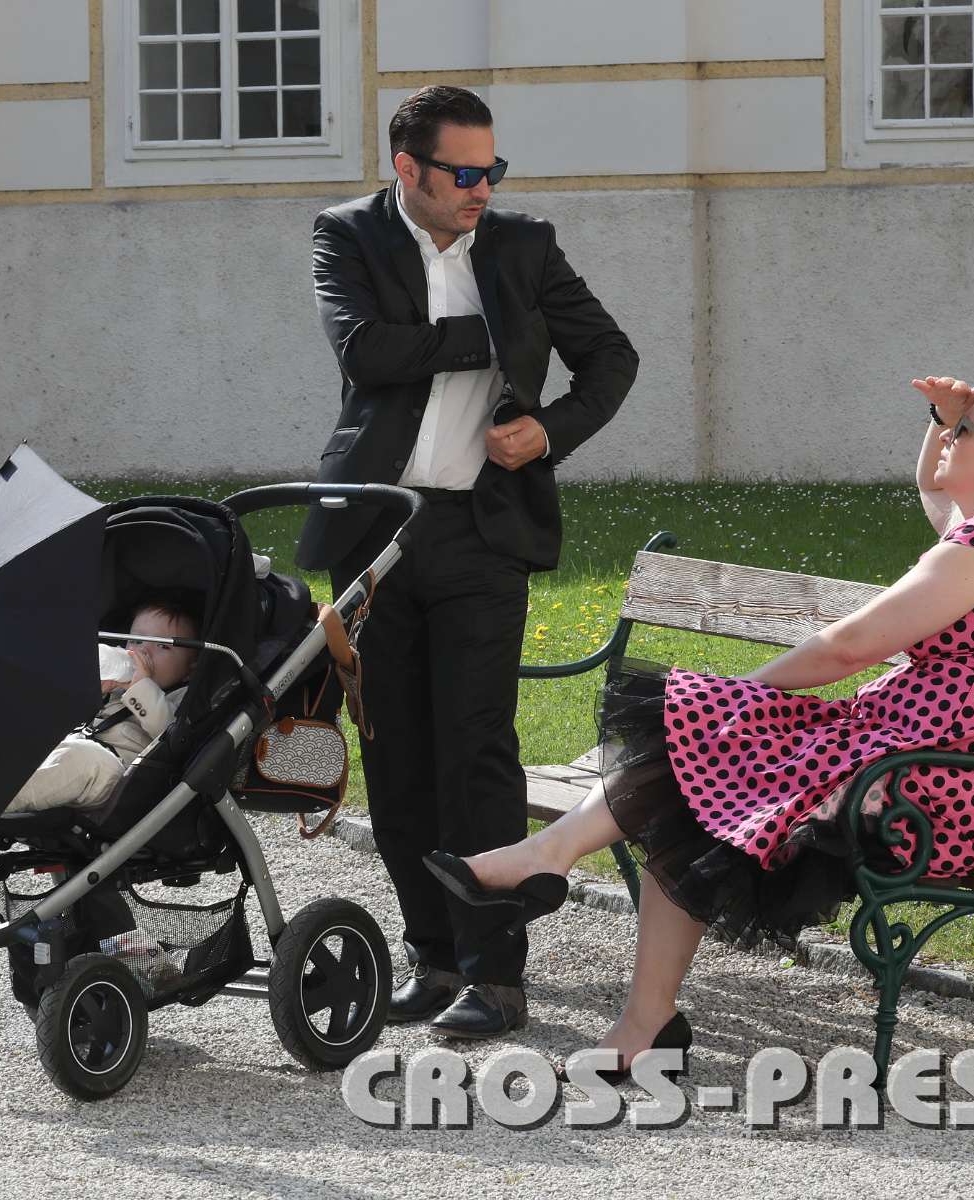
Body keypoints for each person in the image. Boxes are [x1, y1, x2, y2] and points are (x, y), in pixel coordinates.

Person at [426, 377, 974, 1076]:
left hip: (929, 790)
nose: (948, 441)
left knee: (699, 739)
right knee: (692, 773)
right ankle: (628, 993)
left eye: (964, 432)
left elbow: (847, 648)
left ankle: (563, 885)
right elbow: (936, 490)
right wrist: (943, 418)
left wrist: (740, 696)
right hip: (911, 755)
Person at [296, 85, 638, 1038]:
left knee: (476, 749)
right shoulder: (348, 235)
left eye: (494, 170)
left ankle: (495, 975)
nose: (483, 188)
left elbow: (612, 357)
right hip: (376, 532)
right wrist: (491, 337)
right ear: (408, 168)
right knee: (396, 753)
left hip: (485, 533)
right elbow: (367, 354)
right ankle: (433, 956)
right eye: (464, 172)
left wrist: (548, 431)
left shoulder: (525, 246)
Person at [0, 592, 202, 815]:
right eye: (135, 641)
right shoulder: (116, 684)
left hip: (119, 775)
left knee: (82, 759)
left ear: (191, 668)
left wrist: (141, 687)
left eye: (163, 646)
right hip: (72, 747)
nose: (143, 652)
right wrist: (92, 691)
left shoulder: (180, 697)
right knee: (24, 734)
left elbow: (173, 733)